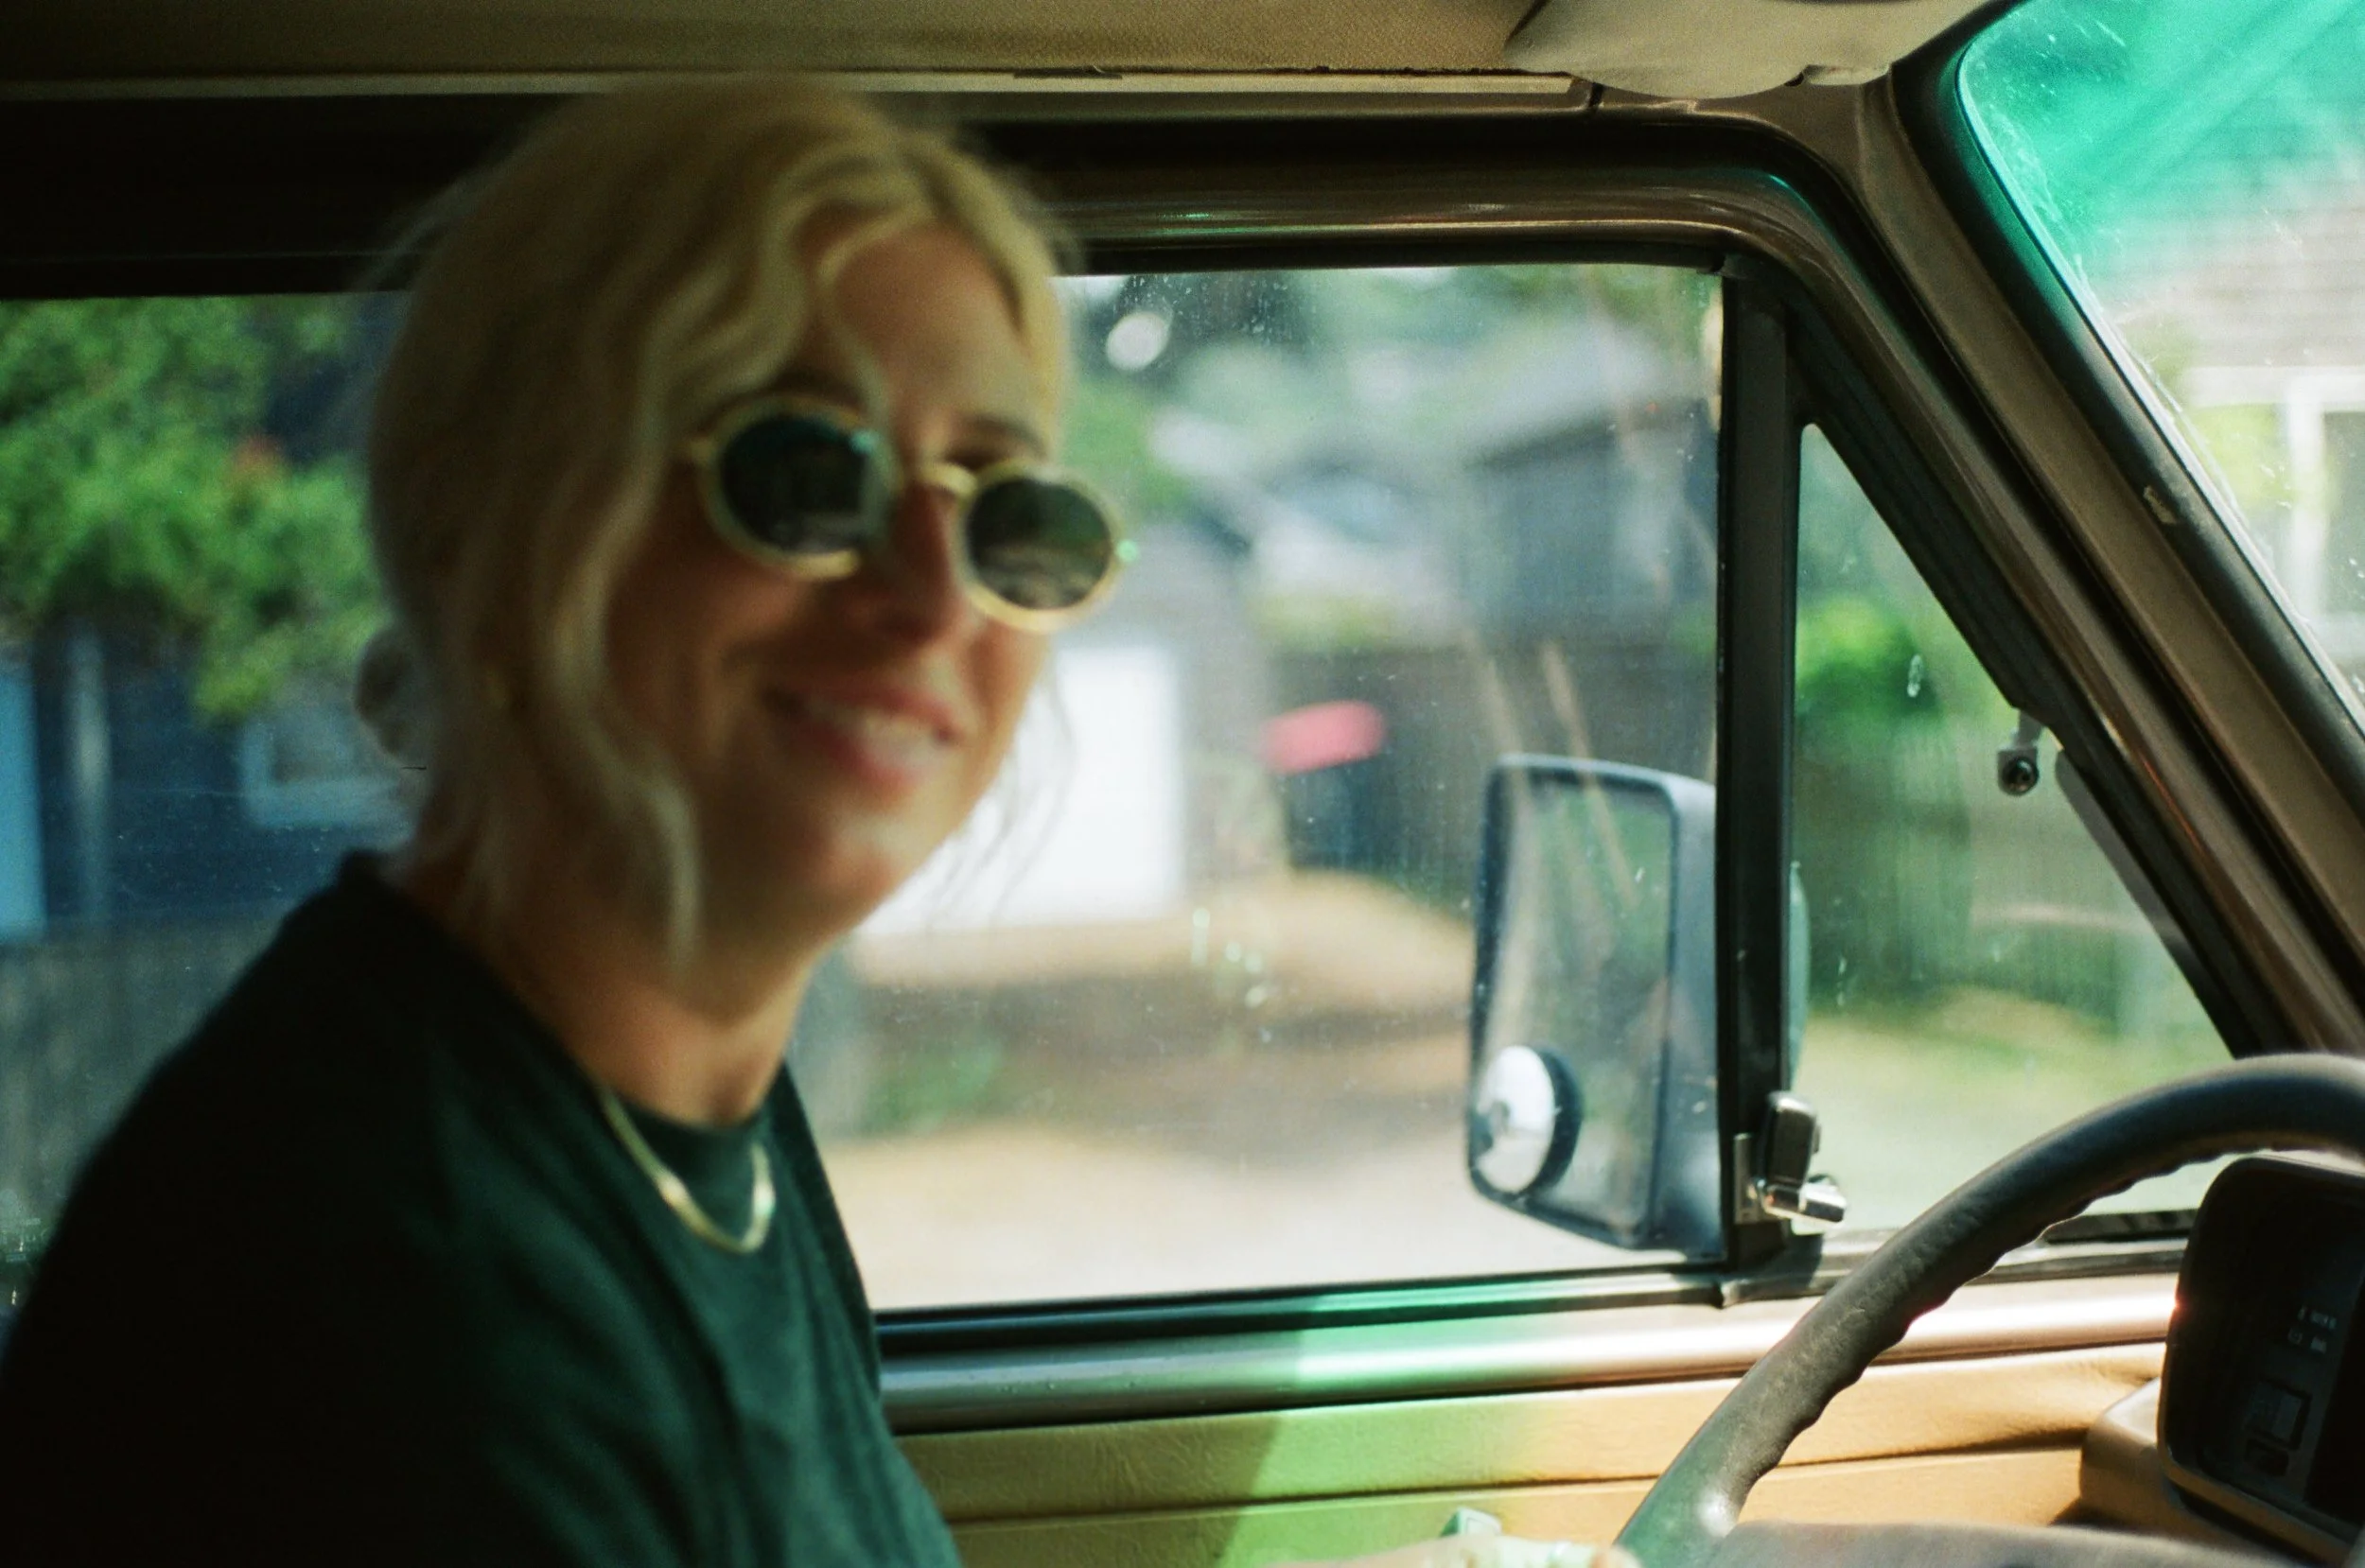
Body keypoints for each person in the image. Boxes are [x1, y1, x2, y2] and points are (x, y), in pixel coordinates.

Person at [0, 79, 1622, 1568]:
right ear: (495, 528)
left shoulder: (687, 1100)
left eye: (1011, 513)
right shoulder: (390, 1288)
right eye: (798, 474)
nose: (930, 601)